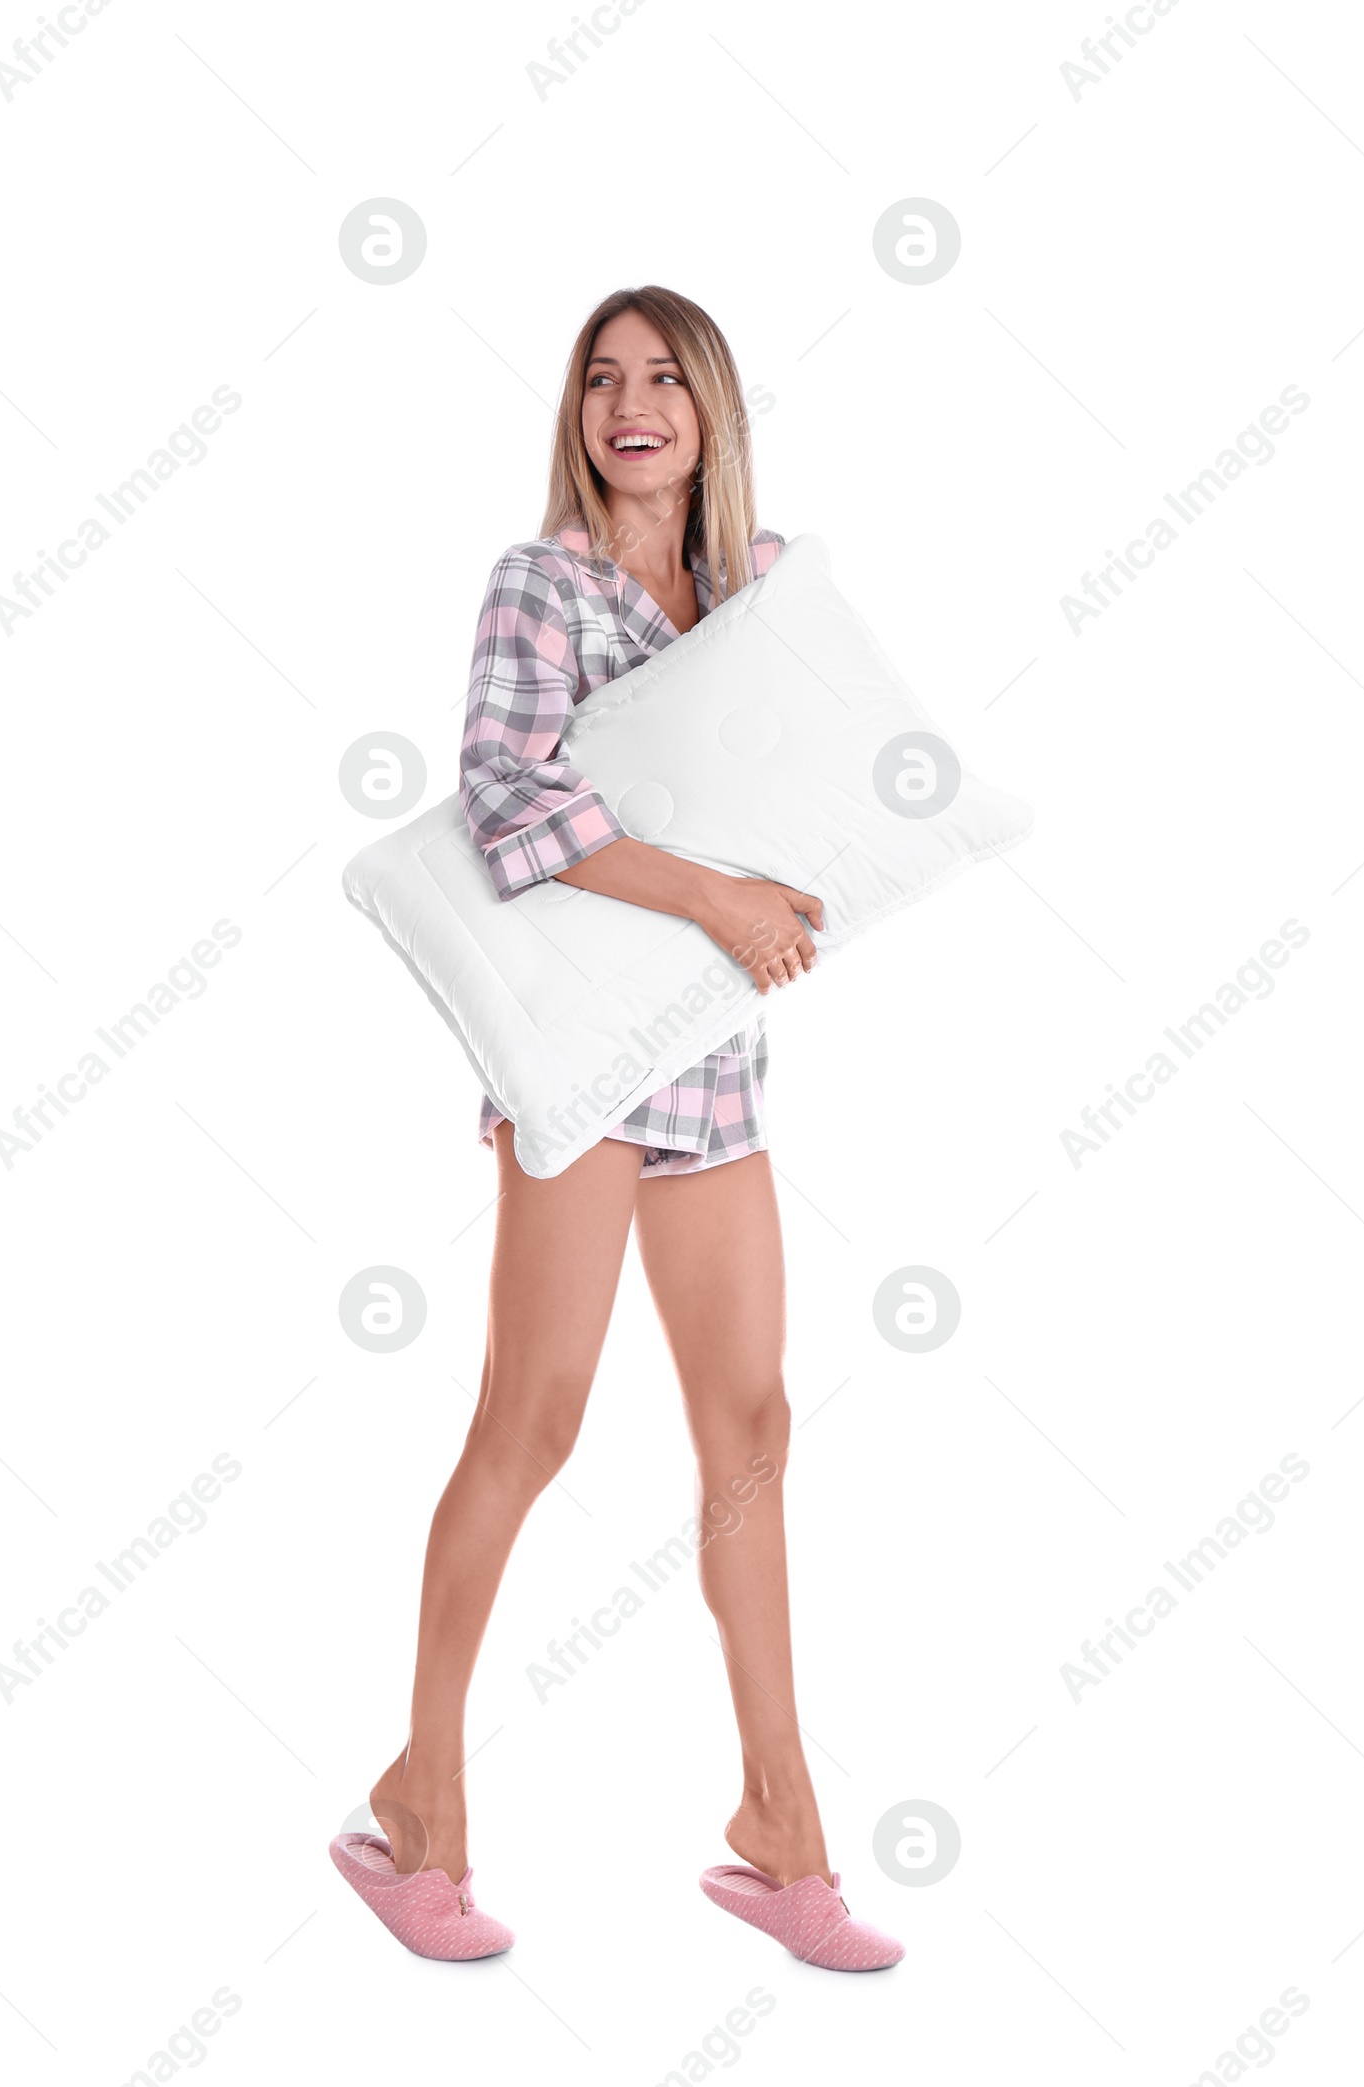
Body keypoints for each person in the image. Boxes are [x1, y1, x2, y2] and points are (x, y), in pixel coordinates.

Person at [329, 286, 904, 1973]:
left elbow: (848, 767)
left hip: (712, 1074)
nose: (631, 402)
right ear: (574, 414)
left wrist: (776, 883)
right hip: (579, 1074)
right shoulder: (540, 585)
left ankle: (783, 1827)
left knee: (752, 1428)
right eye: (602, 379)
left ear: (715, 407)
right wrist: (717, 895)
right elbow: (511, 802)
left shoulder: (760, 589)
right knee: (536, 1421)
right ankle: (417, 1806)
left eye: (665, 377)